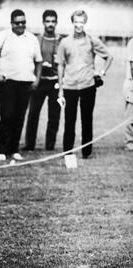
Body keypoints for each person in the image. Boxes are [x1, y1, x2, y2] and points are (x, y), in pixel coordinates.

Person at [0, 9, 42, 162]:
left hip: (26, 83)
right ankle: (3, 150)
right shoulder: (2, 36)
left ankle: (14, 149)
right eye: (17, 23)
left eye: (23, 22)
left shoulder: (32, 38)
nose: (20, 25)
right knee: (7, 115)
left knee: (19, 116)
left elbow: (38, 61)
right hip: (7, 83)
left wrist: (37, 79)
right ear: (11, 23)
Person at [57, 10, 113, 159]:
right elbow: (60, 65)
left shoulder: (92, 40)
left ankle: (86, 152)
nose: (79, 25)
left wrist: (101, 72)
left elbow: (109, 56)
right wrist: (61, 90)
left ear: (85, 23)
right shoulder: (65, 42)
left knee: (87, 120)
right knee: (69, 121)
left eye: (81, 22)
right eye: (76, 22)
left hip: (88, 86)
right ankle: (67, 151)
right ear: (72, 22)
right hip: (70, 86)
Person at [23, 10, 61, 151]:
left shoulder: (60, 40)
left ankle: (50, 145)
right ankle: (29, 144)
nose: (50, 24)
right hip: (39, 81)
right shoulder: (36, 39)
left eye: (53, 21)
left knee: (54, 115)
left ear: (56, 23)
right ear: (43, 22)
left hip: (55, 82)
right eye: (48, 21)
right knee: (33, 114)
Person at [123, 37, 133, 151]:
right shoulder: (132, 43)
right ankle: (130, 143)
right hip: (131, 83)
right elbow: (132, 66)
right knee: (130, 118)